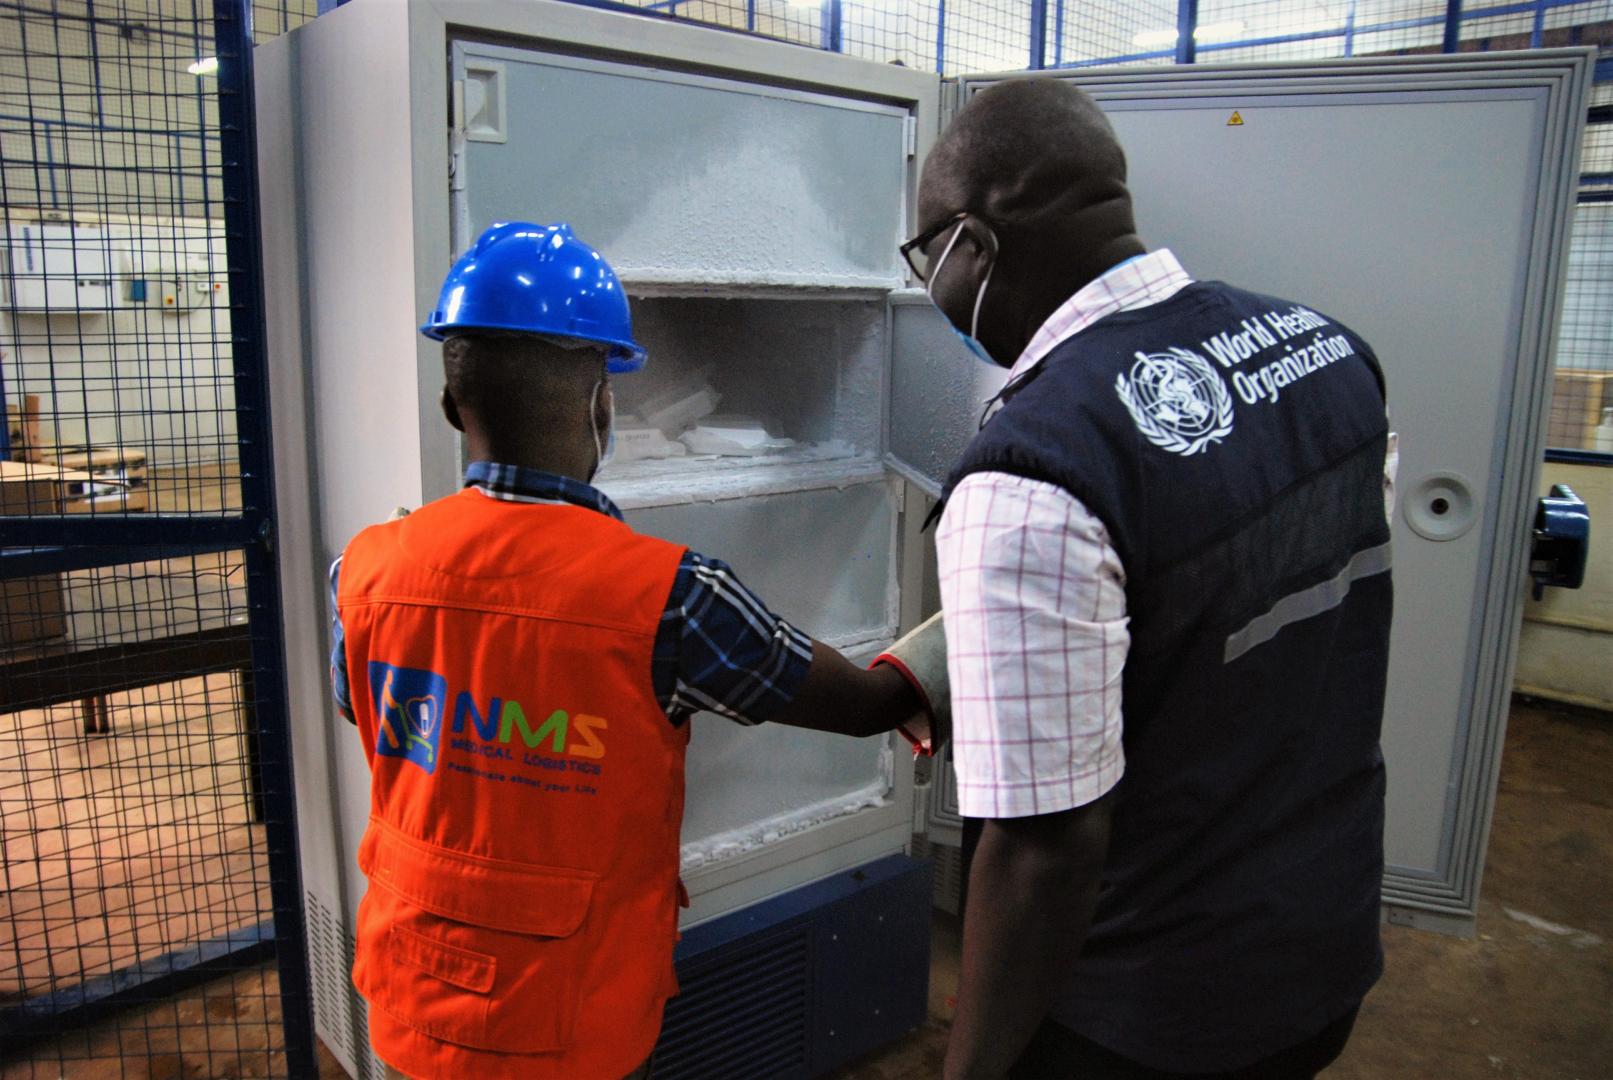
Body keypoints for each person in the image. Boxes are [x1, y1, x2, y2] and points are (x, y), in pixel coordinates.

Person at [326, 222, 949, 1080]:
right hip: (570, 1019)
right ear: (600, 403)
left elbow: (374, 708)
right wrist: (961, 635)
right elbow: (859, 709)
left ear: (450, 405)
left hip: (408, 989)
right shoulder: (671, 596)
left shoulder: (362, 567)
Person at [905, 80, 1398, 1079]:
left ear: (974, 243)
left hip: (1143, 1018)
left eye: (928, 257)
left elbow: (1045, 853)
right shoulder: (1325, 351)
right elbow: (1234, 585)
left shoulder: (1033, 465)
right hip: (1318, 950)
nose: (931, 288)